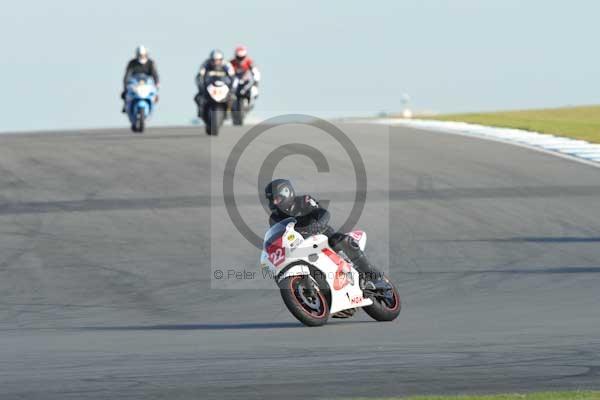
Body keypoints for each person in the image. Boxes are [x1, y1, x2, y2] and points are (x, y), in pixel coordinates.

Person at [264, 179, 383, 283]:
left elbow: (322, 213)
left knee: (341, 240)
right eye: (271, 200)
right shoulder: (274, 218)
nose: (273, 203)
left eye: (276, 199)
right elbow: (278, 236)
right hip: (300, 246)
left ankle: (371, 274)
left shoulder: (304, 200)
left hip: (322, 235)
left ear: (287, 192)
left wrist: (317, 225)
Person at [194, 49, 235, 116]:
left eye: (218, 60)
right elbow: (199, 76)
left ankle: (229, 112)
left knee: (233, 98)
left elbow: (232, 77)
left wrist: (231, 88)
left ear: (221, 59)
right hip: (209, 87)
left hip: (223, 87)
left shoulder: (227, 64)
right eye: (214, 60)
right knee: (198, 98)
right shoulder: (206, 64)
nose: (216, 62)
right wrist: (201, 88)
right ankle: (201, 112)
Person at [121, 45, 160, 113]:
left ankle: (152, 103)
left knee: (154, 93)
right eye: (140, 55)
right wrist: (126, 84)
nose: (142, 57)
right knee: (126, 93)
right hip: (135, 84)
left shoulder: (150, 63)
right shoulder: (132, 63)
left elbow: (155, 75)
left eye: (143, 55)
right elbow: (127, 75)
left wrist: (157, 83)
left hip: (147, 84)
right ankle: (126, 106)